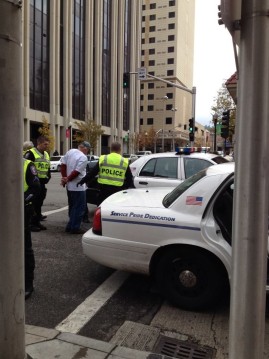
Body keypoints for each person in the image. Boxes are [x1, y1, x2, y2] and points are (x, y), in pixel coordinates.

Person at [60, 141, 90, 234]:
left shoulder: (70, 151)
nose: (87, 152)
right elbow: (77, 172)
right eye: (88, 150)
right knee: (79, 208)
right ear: (85, 148)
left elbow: (63, 165)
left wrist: (64, 178)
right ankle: (75, 227)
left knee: (73, 207)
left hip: (70, 186)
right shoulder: (83, 157)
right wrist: (67, 179)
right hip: (78, 186)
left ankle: (70, 225)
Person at [24, 136, 51, 231]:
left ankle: (37, 222)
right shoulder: (30, 153)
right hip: (33, 184)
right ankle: (31, 224)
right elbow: (26, 167)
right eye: (45, 144)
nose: (47, 146)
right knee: (33, 204)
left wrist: (48, 177)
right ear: (39, 144)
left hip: (42, 184)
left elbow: (47, 168)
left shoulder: (46, 154)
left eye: (47, 144)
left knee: (39, 204)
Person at [23, 158, 40, 299]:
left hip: (21, 210)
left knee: (25, 248)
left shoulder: (27, 164)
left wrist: (21, 200)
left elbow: (35, 187)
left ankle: (27, 284)